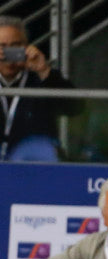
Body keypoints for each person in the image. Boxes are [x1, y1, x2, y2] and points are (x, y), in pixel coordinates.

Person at [0, 16, 78, 162]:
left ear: (26, 47)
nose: (7, 53)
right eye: (2, 47)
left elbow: (74, 108)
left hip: (31, 160)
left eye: (14, 46)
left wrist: (44, 71)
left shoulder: (41, 79)